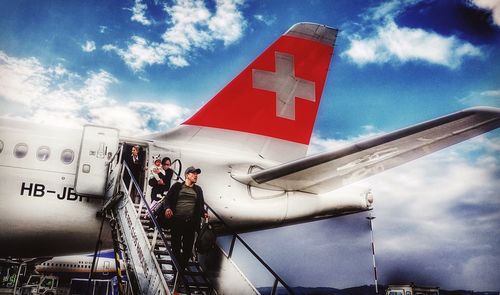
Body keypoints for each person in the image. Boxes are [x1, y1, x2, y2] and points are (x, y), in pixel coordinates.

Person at [162, 166, 208, 270]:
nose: (196, 176)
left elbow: (200, 205)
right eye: (193, 174)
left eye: (197, 174)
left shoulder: (198, 190)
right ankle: (176, 268)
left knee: (187, 249)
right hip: (177, 221)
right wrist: (167, 208)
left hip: (190, 223)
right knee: (176, 247)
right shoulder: (177, 186)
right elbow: (167, 199)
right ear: (187, 175)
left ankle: (181, 269)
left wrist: (204, 213)